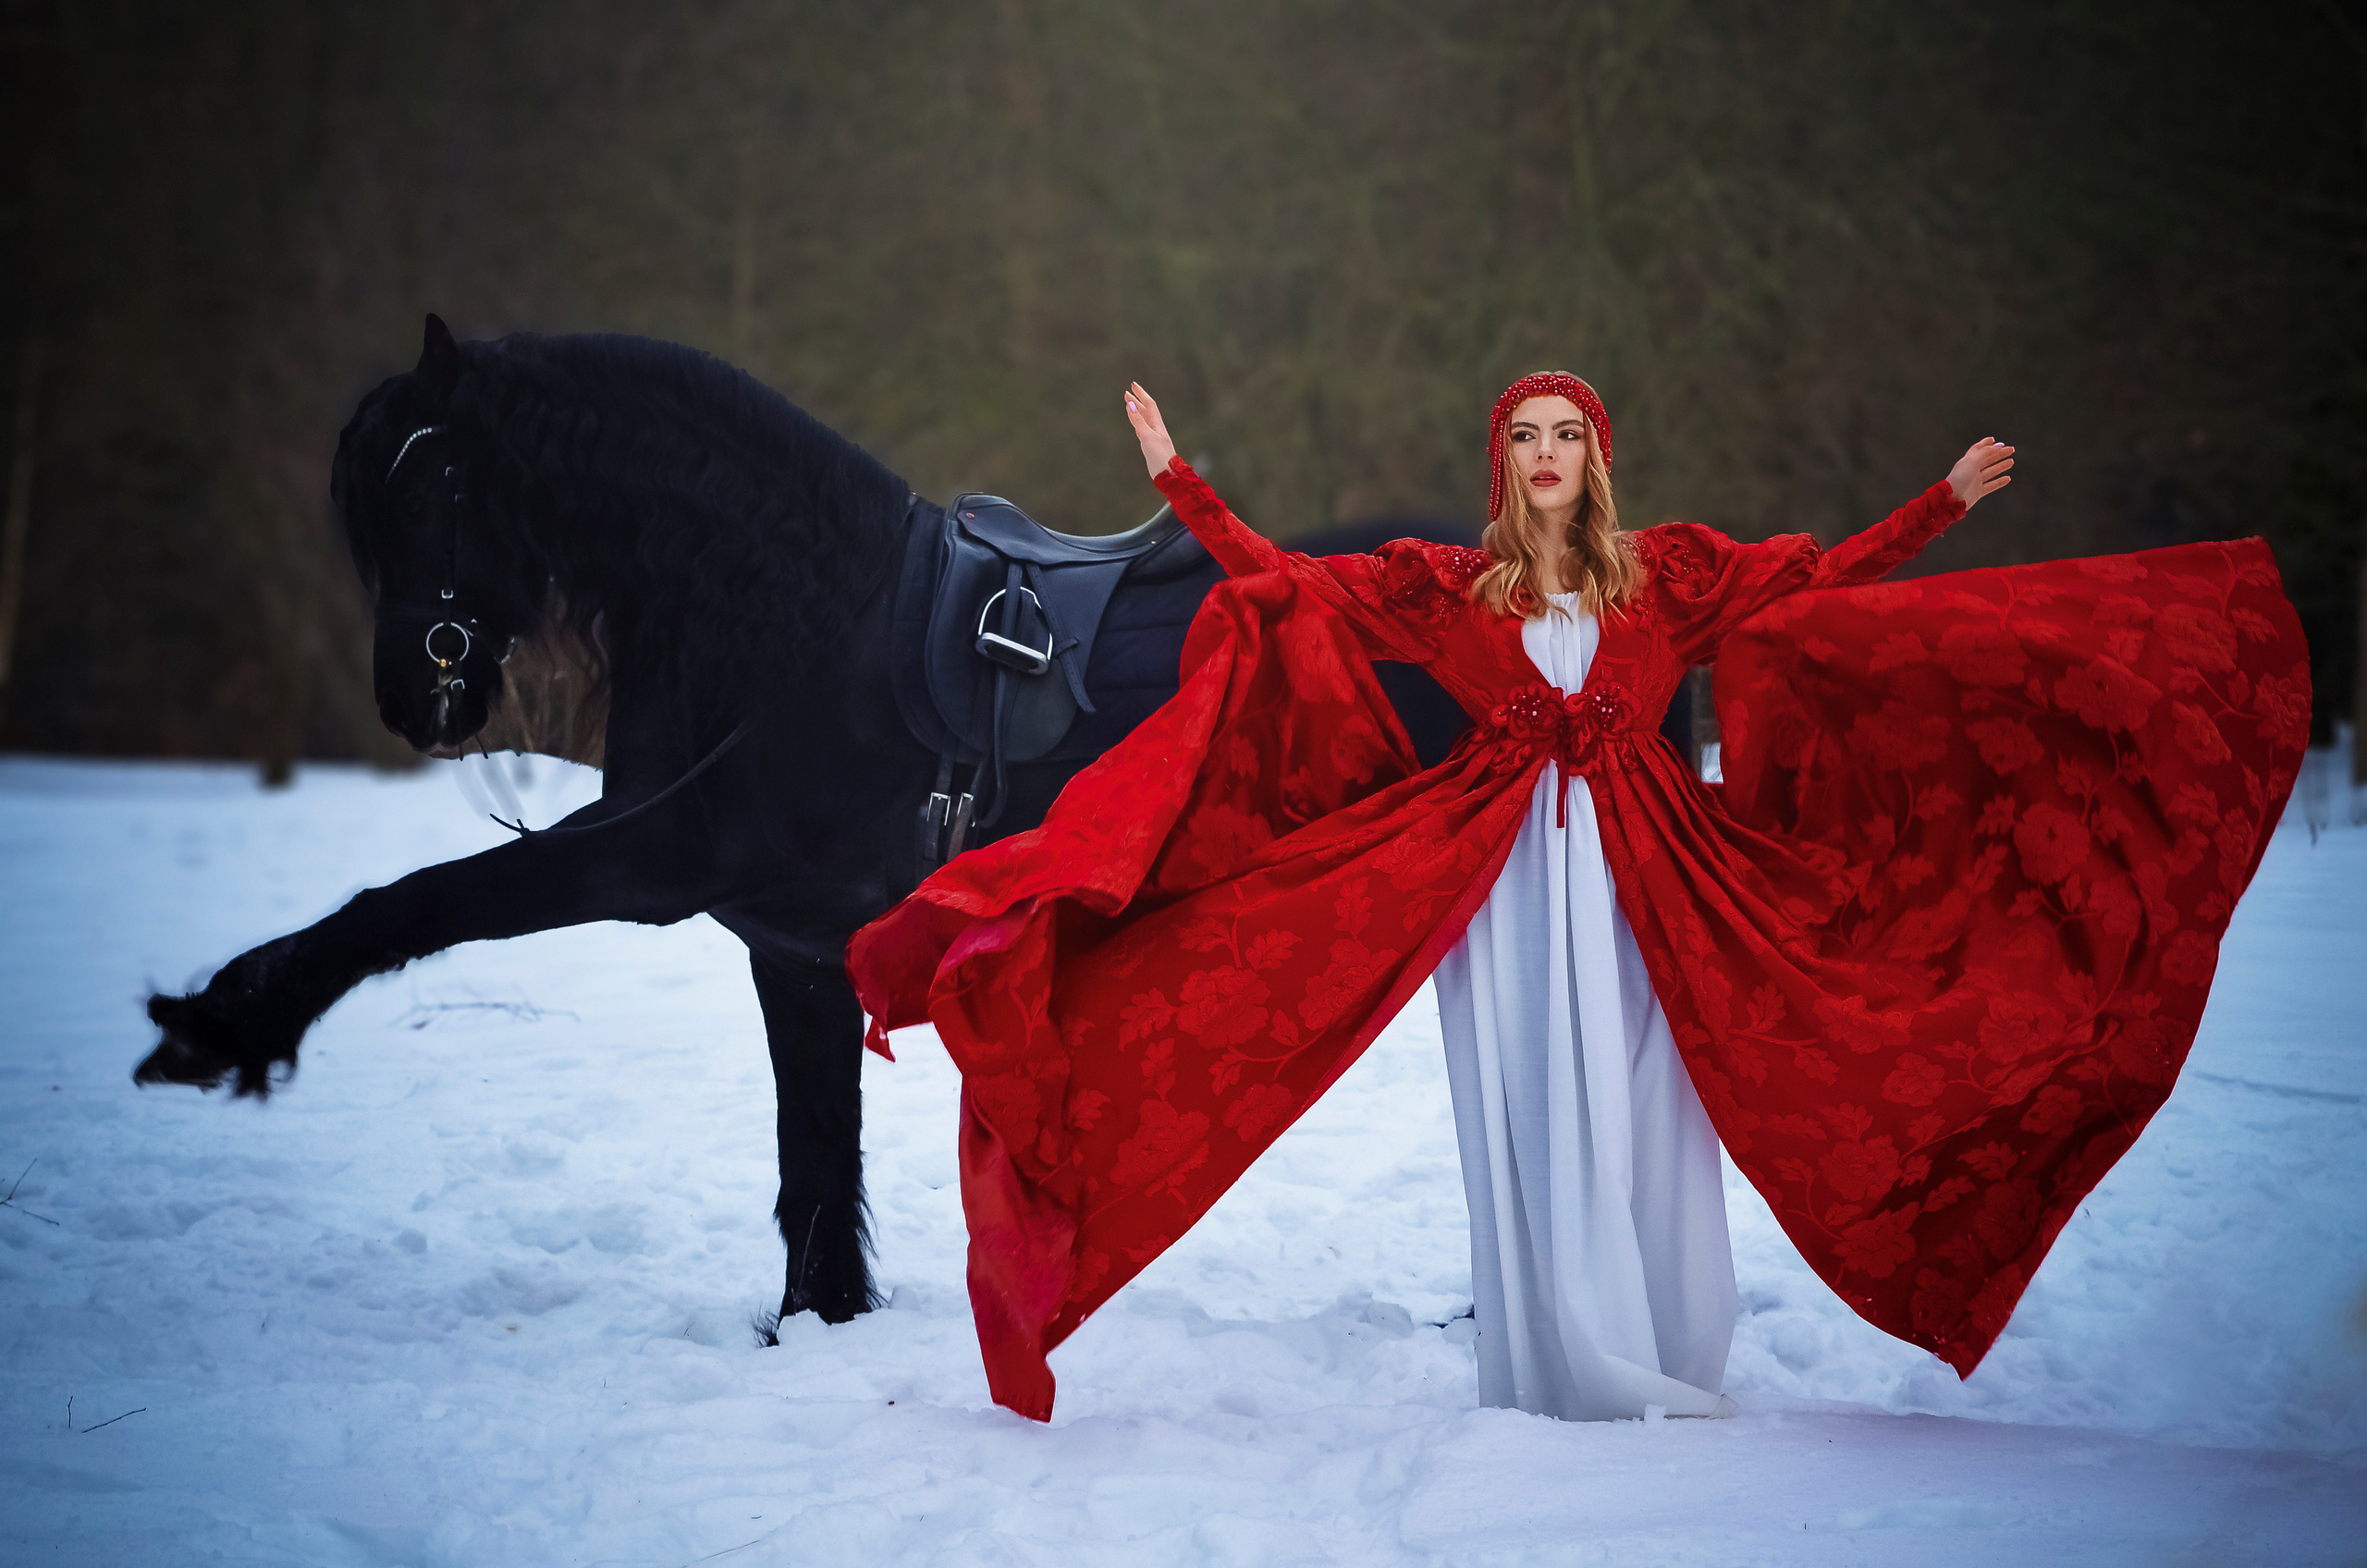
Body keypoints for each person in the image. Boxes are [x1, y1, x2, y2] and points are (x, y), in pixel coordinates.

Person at [848, 372, 2309, 1424]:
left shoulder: (1670, 577)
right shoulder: (1444, 586)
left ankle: (1666, 1343)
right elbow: (1280, 582)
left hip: (1646, 872)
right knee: (1533, 1101)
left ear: (1595, 455)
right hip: (1499, 883)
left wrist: (1941, 503)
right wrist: (1179, 480)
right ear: (1503, 463)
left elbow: (1823, 577)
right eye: (1525, 437)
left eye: (1566, 435)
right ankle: (1555, 1360)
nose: (1546, 455)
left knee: (1648, 1098)